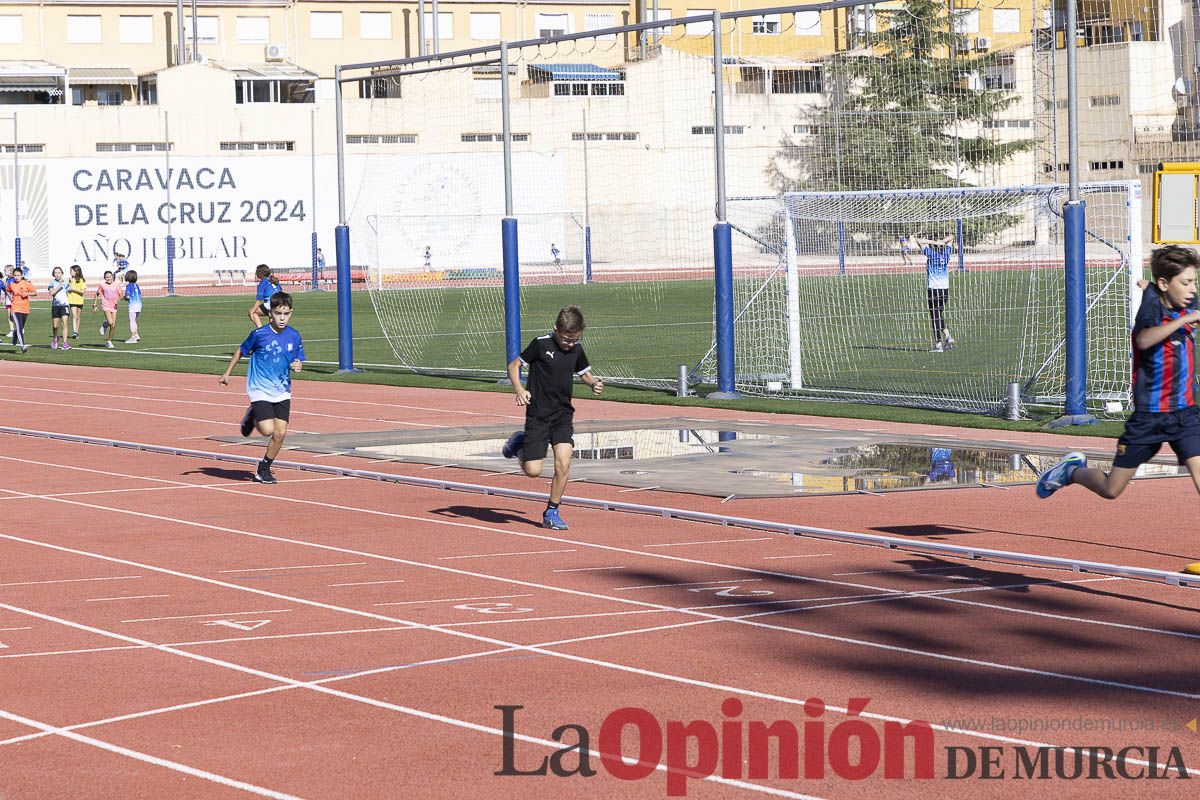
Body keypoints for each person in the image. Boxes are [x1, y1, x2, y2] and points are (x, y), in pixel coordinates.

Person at [1037, 246, 1200, 574]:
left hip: (1186, 414)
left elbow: (1162, 289)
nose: (1194, 289)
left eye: (1195, 282)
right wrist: (1183, 316)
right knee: (1112, 490)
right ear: (1167, 284)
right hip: (1148, 418)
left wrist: (1159, 291)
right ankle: (1071, 471)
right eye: (1187, 282)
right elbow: (1143, 340)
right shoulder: (1154, 312)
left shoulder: (1180, 298)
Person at [501, 305, 604, 530]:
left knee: (563, 463)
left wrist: (593, 383)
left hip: (562, 416)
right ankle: (519, 443)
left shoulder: (576, 349)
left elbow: (584, 373)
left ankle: (552, 511)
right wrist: (519, 390)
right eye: (566, 339)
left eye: (574, 340)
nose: (569, 344)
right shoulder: (541, 344)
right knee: (533, 471)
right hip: (538, 415)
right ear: (555, 329)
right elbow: (513, 365)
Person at [220, 292, 305, 485]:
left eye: (286, 314)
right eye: (278, 314)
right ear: (270, 315)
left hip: (282, 389)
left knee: (280, 433)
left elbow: (298, 358)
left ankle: (264, 468)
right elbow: (241, 350)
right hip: (259, 388)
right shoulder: (259, 335)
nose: (282, 318)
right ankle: (253, 414)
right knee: (267, 430)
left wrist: (298, 364)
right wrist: (227, 373)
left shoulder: (295, 335)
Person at [914, 234, 956, 352]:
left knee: (934, 316)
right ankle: (948, 336)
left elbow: (918, 240)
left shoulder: (931, 254)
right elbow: (951, 237)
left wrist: (933, 241)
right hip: (945, 289)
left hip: (933, 289)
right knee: (938, 315)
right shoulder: (946, 254)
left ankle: (938, 344)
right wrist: (941, 241)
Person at [92, 269, 123, 348]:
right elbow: (97, 294)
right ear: (104, 278)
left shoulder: (116, 285)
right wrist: (94, 305)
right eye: (106, 277)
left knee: (113, 326)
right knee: (110, 322)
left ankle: (109, 341)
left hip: (114, 306)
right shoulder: (102, 285)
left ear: (112, 276)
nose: (108, 278)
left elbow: (121, 295)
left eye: (110, 277)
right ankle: (105, 324)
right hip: (106, 305)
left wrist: (123, 297)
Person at [7, 266, 33, 352]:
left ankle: (15, 334)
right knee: (19, 326)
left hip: (25, 308)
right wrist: (10, 297)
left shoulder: (26, 283)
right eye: (15, 275)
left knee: (20, 328)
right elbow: (7, 290)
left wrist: (27, 294)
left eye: (18, 275)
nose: (16, 277)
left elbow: (35, 292)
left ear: (22, 275)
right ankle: (22, 346)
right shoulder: (12, 284)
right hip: (15, 308)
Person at [248, 264, 279, 328]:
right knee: (272, 325)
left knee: (253, 311)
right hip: (282, 303)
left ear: (258, 274)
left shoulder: (262, 283)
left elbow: (259, 301)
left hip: (272, 304)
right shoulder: (274, 281)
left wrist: (251, 312)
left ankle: (261, 331)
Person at [47, 266, 71, 350]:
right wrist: (59, 286)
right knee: (55, 326)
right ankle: (55, 339)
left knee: (64, 323)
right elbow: (51, 293)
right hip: (55, 306)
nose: (57, 274)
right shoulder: (52, 283)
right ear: (53, 274)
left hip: (64, 305)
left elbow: (68, 292)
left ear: (62, 273)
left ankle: (65, 343)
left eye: (59, 272)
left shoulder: (66, 283)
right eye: (55, 273)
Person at [67, 265, 86, 339]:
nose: (70, 272)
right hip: (72, 300)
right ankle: (74, 332)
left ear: (76, 271)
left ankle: (77, 332)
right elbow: (68, 288)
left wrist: (73, 289)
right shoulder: (70, 279)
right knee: (74, 316)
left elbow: (82, 292)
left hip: (79, 300)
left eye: (71, 271)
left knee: (78, 316)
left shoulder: (82, 280)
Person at [124, 269, 142, 343]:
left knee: (132, 321)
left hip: (133, 305)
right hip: (139, 304)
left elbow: (127, 297)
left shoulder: (129, 286)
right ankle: (136, 334)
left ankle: (133, 337)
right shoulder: (136, 285)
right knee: (134, 320)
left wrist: (124, 298)